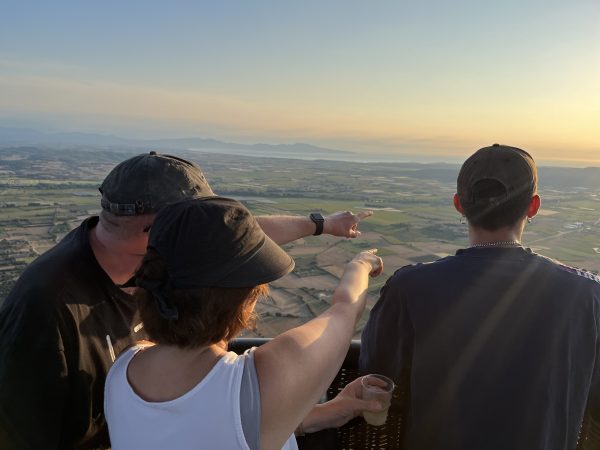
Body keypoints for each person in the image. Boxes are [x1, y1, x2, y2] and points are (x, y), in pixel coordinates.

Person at [0, 151, 373, 450]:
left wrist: (320, 224)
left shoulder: (128, 362)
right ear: (158, 228)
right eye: (197, 220)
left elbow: (207, 419)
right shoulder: (44, 306)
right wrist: (359, 268)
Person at [360, 144, 600, 450]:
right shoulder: (588, 295)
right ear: (533, 206)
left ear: (459, 204)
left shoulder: (409, 287)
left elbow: (375, 375)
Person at [104, 196, 384, 450]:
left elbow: (225, 429)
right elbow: (345, 309)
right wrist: (360, 265)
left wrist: (329, 412)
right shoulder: (266, 377)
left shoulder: (123, 369)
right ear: (243, 300)